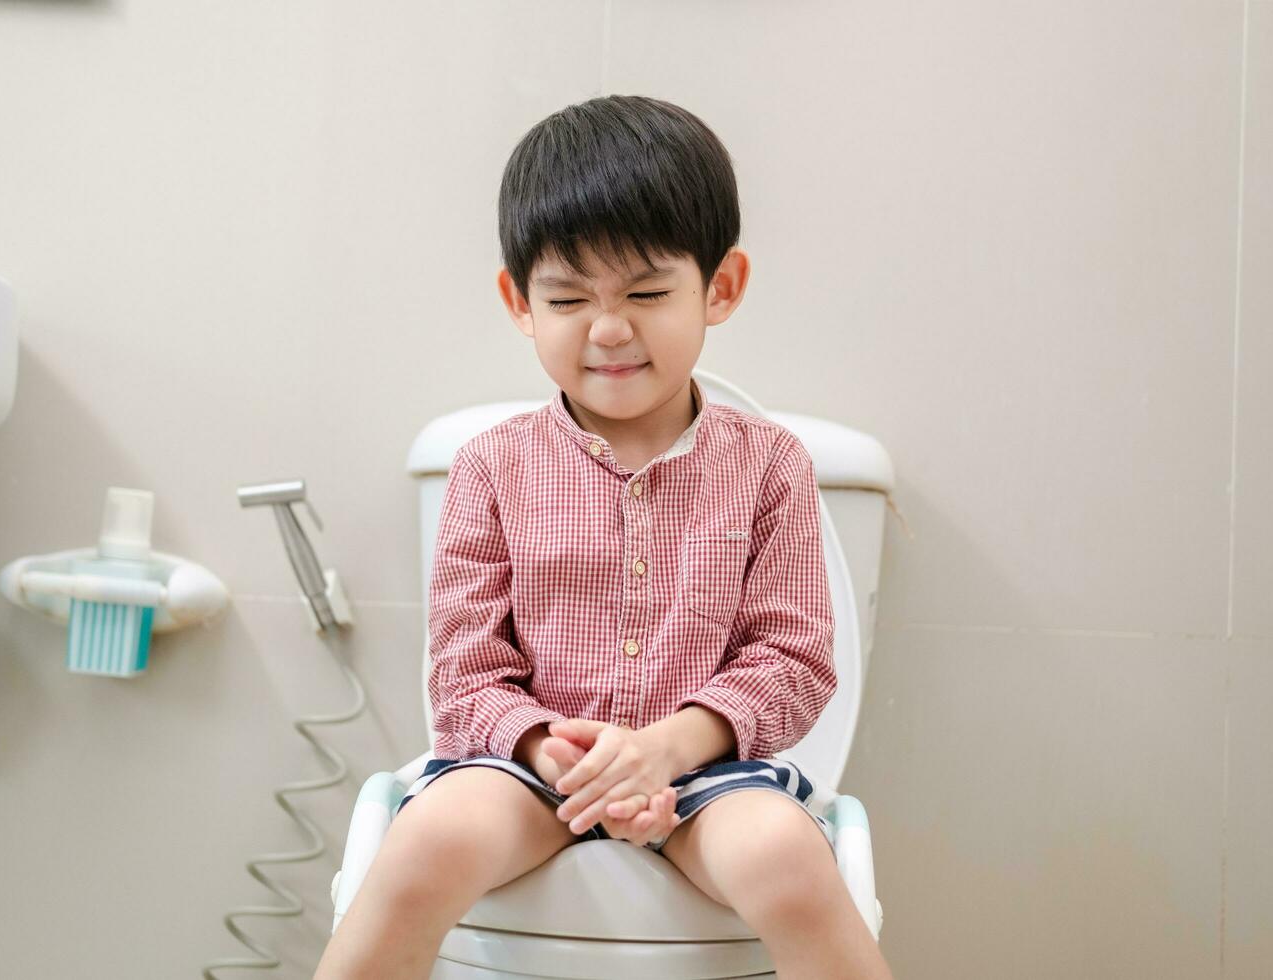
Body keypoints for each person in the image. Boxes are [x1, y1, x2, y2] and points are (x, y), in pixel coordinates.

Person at [314, 94, 894, 980]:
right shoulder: (489, 467)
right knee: (423, 840)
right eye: (569, 297)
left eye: (650, 292)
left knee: (788, 863)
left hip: (706, 776)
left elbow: (792, 660)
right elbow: (465, 673)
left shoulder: (771, 464)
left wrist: (664, 748)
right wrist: (562, 755)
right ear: (520, 301)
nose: (610, 328)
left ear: (721, 287)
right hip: (534, 770)